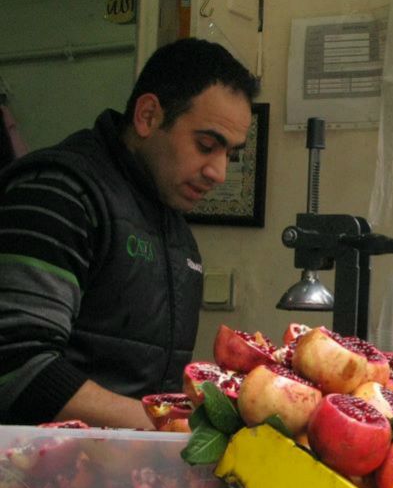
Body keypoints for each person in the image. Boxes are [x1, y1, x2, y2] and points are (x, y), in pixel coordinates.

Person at [0, 38, 257, 428]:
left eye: (230, 154)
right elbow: (16, 364)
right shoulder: (59, 193)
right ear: (148, 115)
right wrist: (163, 423)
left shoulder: (176, 232)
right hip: (37, 476)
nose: (219, 172)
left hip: (124, 475)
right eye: (206, 144)